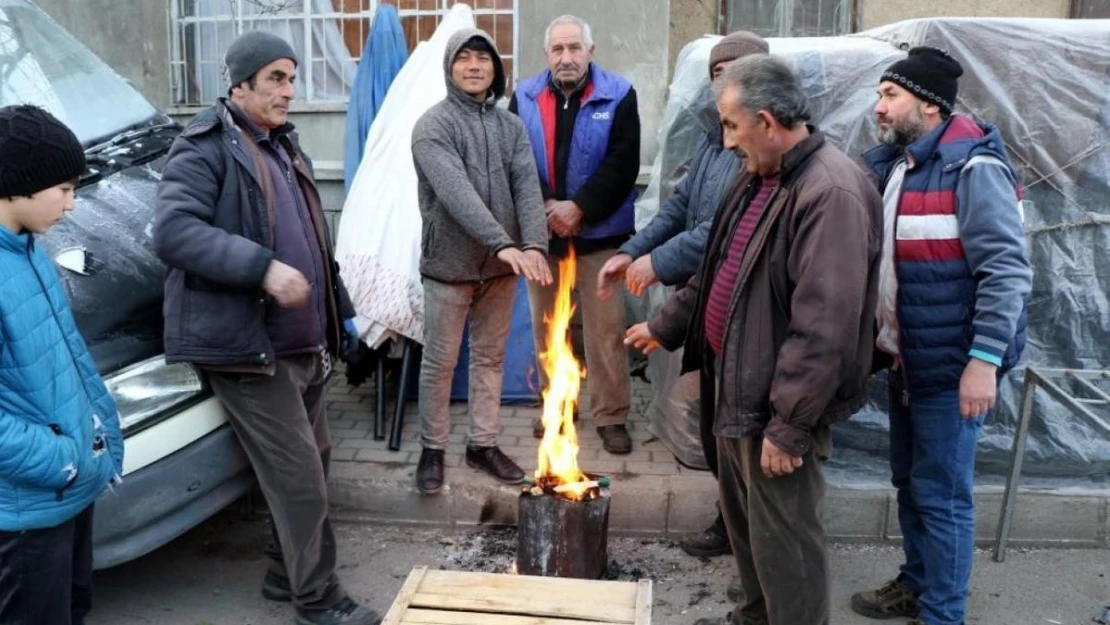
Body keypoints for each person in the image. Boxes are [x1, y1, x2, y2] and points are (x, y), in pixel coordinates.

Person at [626, 55, 882, 625]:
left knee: (786, 541)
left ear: (767, 121)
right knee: (750, 531)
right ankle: (756, 614)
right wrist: (664, 325)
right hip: (736, 387)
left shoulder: (830, 192)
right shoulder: (758, 176)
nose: (725, 138)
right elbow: (718, 268)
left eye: (730, 124)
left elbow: (824, 327)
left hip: (774, 407)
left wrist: (788, 427)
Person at [153, 31, 378, 625]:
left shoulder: (283, 145)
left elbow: (313, 241)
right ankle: (318, 600)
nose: (289, 90)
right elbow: (173, 232)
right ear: (239, 85)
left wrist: (343, 310)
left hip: (302, 342)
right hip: (247, 347)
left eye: (292, 77)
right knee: (299, 478)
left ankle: (286, 574)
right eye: (276, 78)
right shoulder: (203, 147)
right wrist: (262, 269)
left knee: (316, 460)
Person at [850, 47, 1032, 625]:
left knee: (944, 497)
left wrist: (982, 363)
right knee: (911, 483)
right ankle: (919, 584)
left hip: (954, 366)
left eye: (890, 95)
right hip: (913, 358)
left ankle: (942, 614)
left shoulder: (975, 170)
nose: (878, 108)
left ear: (927, 105)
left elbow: (1006, 271)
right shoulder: (904, 165)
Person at [597, 30, 768, 562]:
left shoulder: (758, 148)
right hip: (705, 299)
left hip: (742, 307)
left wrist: (658, 263)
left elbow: (722, 228)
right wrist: (632, 250)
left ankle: (752, 537)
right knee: (718, 427)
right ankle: (730, 522)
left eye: (730, 73)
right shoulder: (712, 139)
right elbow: (679, 207)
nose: (719, 84)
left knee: (741, 431)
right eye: (714, 74)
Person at [410, 29, 551, 495]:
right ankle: (433, 449)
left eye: (483, 59)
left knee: (489, 358)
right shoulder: (433, 126)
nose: (474, 66)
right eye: (464, 59)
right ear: (449, 68)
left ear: (496, 67)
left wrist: (533, 245)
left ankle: (483, 444)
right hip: (449, 264)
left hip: (500, 268)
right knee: (441, 362)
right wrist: (501, 242)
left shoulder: (510, 126)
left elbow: (527, 187)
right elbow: (456, 194)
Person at [0, 104, 124, 625]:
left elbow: (70, 360)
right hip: (27, 507)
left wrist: (103, 434)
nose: (73, 205)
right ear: (18, 186)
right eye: (65, 189)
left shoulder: (30, 252)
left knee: (73, 610)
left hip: (69, 485)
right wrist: (62, 459)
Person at [509, 14, 641, 455]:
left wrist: (578, 207)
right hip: (542, 234)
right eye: (557, 49)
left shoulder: (619, 94)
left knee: (605, 331)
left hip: (600, 234)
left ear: (590, 50)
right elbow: (516, 162)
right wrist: (546, 207)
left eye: (574, 48)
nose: (566, 57)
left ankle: (612, 415)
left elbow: (623, 163)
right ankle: (557, 409)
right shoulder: (523, 96)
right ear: (546, 54)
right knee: (549, 328)